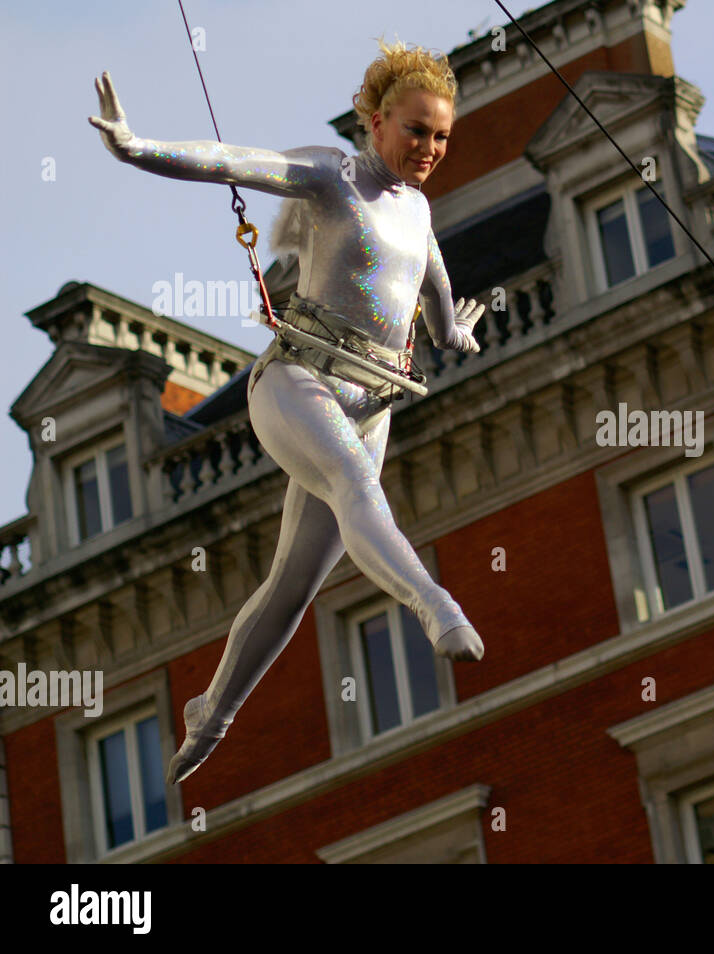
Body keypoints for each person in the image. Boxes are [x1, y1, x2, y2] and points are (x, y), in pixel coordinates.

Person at [88, 39, 487, 786]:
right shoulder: (332, 175)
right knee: (358, 492)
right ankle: (435, 605)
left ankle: (212, 711)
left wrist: (456, 331)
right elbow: (232, 162)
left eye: (441, 136)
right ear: (374, 121)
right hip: (299, 381)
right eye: (415, 130)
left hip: (373, 404)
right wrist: (137, 149)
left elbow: (433, 311)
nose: (429, 147)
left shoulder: (419, 212)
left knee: (295, 583)